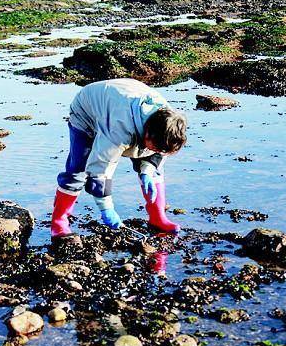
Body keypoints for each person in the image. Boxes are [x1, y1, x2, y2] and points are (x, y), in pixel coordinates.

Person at [51, 78, 187, 238]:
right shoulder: (119, 128)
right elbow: (100, 169)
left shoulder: (169, 123)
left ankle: (157, 217)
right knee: (79, 169)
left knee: (154, 170)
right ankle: (59, 221)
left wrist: (147, 171)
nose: (157, 151)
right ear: (148, 133)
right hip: (87, 110)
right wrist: (106, 209)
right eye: (156, 147)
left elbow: (159, 153)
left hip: (124, 98)